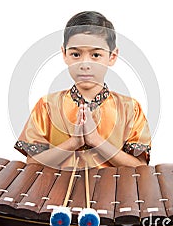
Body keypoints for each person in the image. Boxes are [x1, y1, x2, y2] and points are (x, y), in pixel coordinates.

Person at [15, 11, 151, 169]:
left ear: (112, 56)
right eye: (76, 54)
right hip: (58, 192)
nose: (85, 64)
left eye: (95, 55)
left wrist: (96, 141)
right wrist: (74, 142)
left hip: (112, 193)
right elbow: (32, 163)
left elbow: (140, 167)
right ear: (64, 54)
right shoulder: (47, 105)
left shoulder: (130, 109)